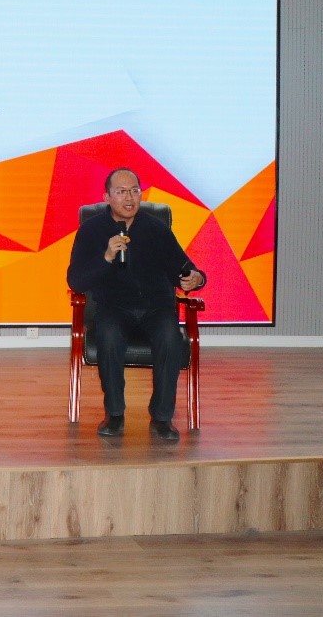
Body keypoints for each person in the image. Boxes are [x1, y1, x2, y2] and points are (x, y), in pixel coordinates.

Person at [67, 168, 206, 442]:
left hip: (156, 308)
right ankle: (115, 414)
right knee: (108, 335)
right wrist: (106, 257)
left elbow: (184, 268)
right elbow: (76, 281)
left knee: (170, 337)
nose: (129, 198)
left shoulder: (157, 229)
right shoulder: (91, 230)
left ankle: (162, 418)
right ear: (107, 197)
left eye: (134, 191)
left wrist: (196, 278)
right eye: (121, 192)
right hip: (114, 309)